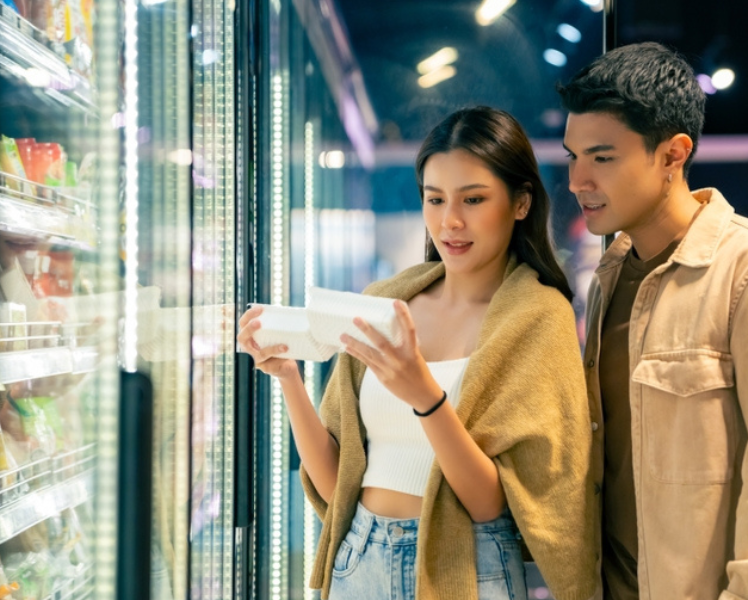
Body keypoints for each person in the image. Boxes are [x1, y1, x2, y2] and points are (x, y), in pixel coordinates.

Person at [238, 106, 599, 600]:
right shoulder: (383, 304)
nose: (450, 221)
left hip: (469, 569)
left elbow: (491, 505)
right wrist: (288, 377)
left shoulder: (538, 317)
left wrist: (425, 396)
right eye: (435, 199)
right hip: (358, 560)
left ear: (520, 203)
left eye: (474, 199)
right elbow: (336, 485)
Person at [558, 42, 748, 599]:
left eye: (602, 158)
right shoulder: (610, 275)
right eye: (572, 157)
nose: (577, 180)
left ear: (672, 155)